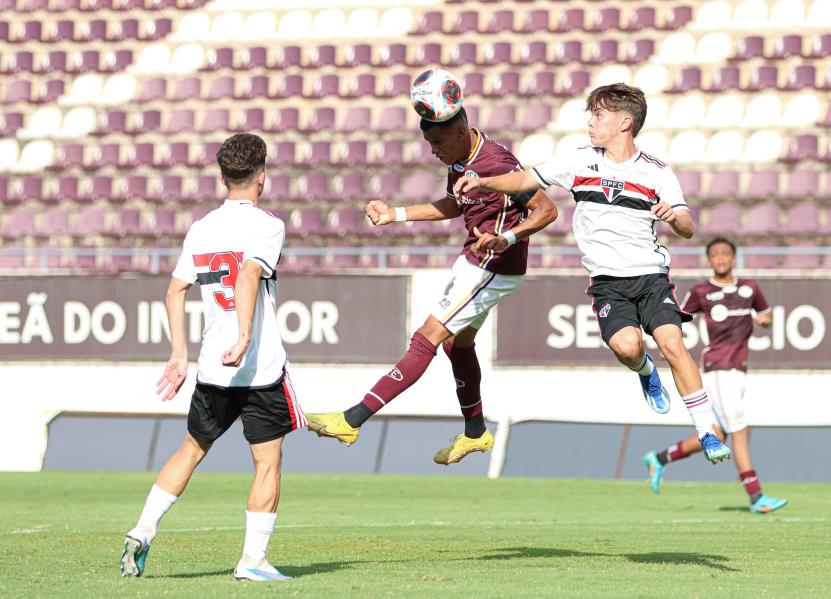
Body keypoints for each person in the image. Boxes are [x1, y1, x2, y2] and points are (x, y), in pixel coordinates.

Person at [453, 83, 732, 464]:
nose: (591, 122)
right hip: (608, 284)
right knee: (628, 347)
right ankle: (644, 369)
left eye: (599, 115)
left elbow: (687, 225)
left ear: (625, 122)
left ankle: (707, 432)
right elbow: (524, 181)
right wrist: (483, 180)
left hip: (650, 276)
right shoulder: (580, 160)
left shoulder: (657, 172)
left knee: (673, 344)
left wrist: (674, 217)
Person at [305, 107, 557, 465]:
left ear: (461, 132)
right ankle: (476, 433)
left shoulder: (496, 163)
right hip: (474, 258)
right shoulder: (459, 160)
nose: (433, 151)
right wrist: (396, 214)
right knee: (458, 342)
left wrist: (509, 238)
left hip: (494, 264)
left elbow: (546, 210)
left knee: (428, 336)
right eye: (428, 142)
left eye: (437, 142)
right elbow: (454, 206)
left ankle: (352, 419)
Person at [120, 133, 303, 581]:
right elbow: (249, 273)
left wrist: (179, 355)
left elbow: (174, 291)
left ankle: (142, 530)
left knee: (191, 449)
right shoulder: (268, 225)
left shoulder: (201, 228)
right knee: (268, 462)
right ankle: (252, 562)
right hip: (257, 368)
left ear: (222, 177)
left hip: (212, 369)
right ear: (262, 175)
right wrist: (243, 335)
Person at [642, 238, 788, 514]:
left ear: (734, 258)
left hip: (738, 370)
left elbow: (765, 314)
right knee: (740, 432)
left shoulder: (750, 288)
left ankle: (659, 457)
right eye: (715, 255)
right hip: (719, 369)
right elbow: (676, 316)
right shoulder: (702, 291)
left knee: (718, 434)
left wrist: (765, 321)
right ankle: (757, 497)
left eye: (725, 254)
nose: (720, 259)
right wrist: (670, 346)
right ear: (709, 260)